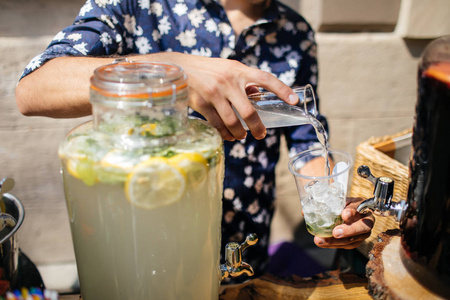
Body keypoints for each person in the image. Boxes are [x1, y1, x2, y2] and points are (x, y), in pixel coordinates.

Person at [15, 0, 374, 279]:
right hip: (149, 247)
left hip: (245, 252)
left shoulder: (295, 31)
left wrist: (334, 203)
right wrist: (170, 70)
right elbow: (34, 89)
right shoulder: (138, 6)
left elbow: (305, 137)